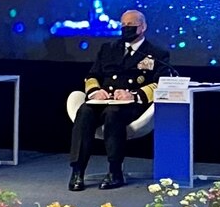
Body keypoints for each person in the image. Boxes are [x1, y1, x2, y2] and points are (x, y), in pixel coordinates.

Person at [69, 10, 170, 192]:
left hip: (131, 105)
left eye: (131, 26)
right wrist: (95, 92)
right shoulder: (108, 49)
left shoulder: (156, 54)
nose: (126, 29)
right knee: (84, 111)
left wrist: (134, 95)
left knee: (113, 114)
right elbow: (92, 75)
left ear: (143, 27)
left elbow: (161, 84)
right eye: (123, 25)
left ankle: (115, 171)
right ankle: (78, 171)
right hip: (103, 100)